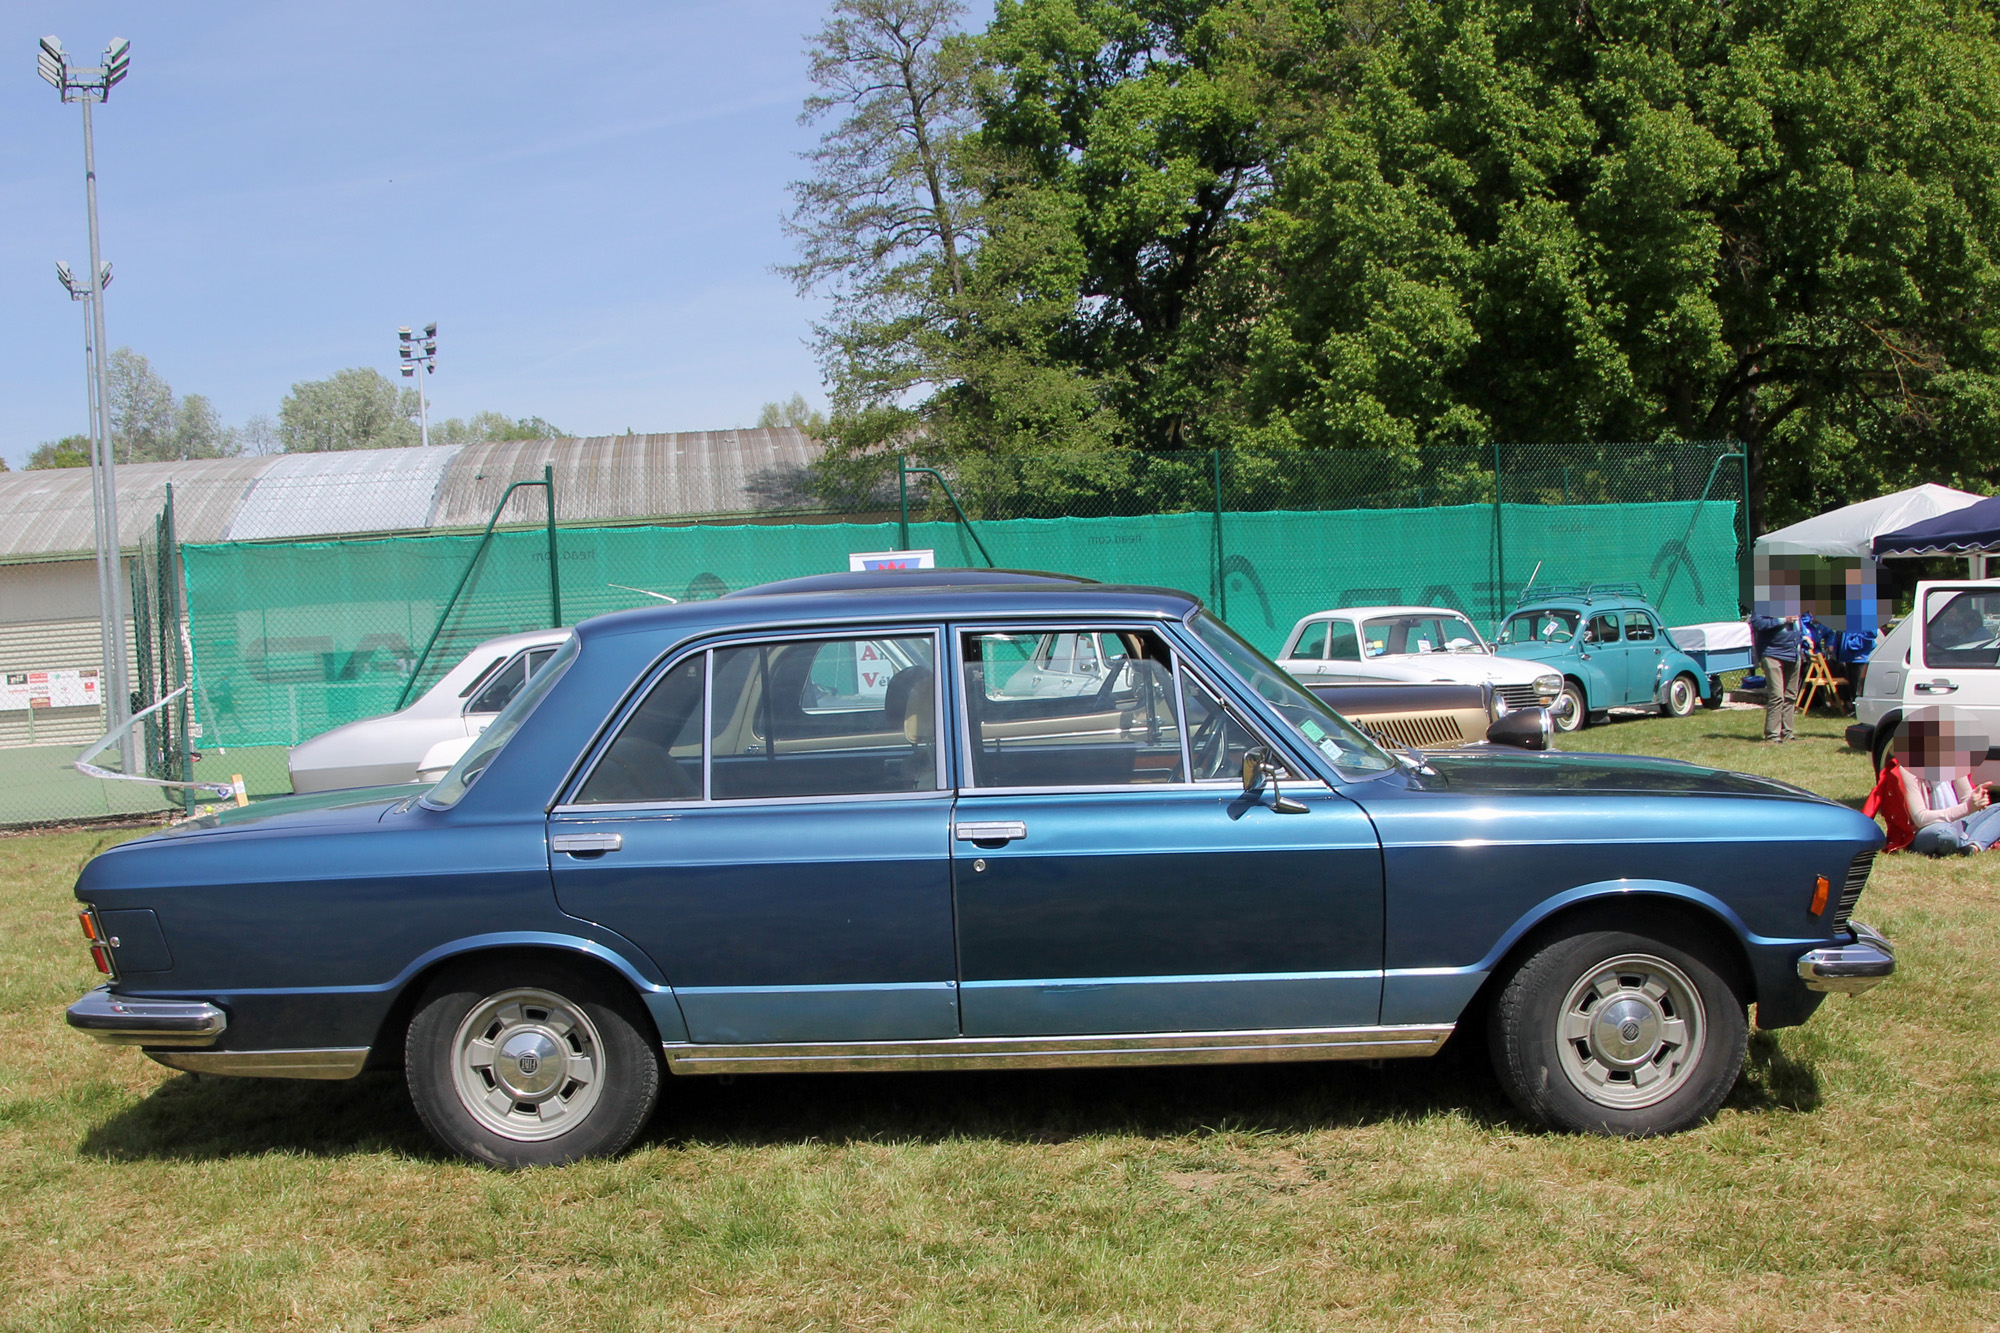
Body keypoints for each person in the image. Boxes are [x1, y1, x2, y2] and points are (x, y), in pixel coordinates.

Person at [1747, 608, 1803, 743]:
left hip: (1793, 653)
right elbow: (1758, 624)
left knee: (1791, 695)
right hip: (1772, 654)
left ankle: (1787, 733)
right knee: (1777, 695)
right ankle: (1773, 735)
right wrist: (1783, 619)